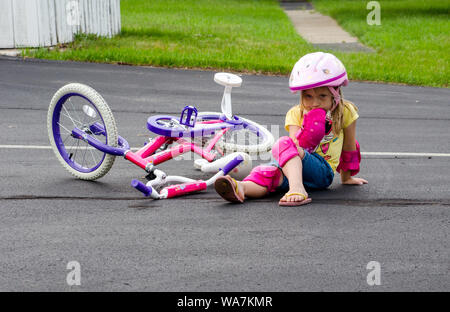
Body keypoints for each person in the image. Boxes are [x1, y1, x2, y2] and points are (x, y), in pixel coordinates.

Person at [214, 52, 368, 206]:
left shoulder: (345, 111)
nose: (315, 103)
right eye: (308, 96)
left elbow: (349, 146)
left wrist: (346, 178)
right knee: (269, 173)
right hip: (296, 168)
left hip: (322, 172)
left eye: (322, 96)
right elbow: (296, 145)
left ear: (335, 95)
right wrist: (309, 129)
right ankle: (241, 188)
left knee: (283, 144)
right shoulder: (295, 113)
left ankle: (297, 189)